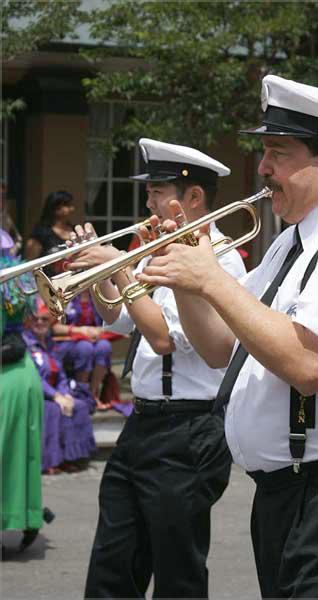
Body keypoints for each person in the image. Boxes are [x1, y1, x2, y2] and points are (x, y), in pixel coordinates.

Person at [136, 76, 318, 598]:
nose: (262, 169)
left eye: (278, 153)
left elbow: (308, 364)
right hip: (291, 495)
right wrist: (184, 276)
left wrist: (210, 277)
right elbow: (219, 349)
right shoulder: (291, 242)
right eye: (264, 152)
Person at [67, 139, 246, 599]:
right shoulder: (153, 251)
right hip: (144, 421)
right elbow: (118, 317)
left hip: (190, 428)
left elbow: (164, 336)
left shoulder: (221, 259)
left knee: (177, 570)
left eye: (157, 190)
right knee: (113, 562)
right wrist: (96, 274)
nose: (147, 202)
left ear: (193, 198)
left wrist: (118, 269)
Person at [0, 229, 44, 553]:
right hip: (24, 373)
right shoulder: (19, 276)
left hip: (5, 377)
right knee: (23, 453)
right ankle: (29, 516)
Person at [23, 299, 97, 473]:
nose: (39, 322)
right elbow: (34, 377)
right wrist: (56, 397)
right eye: (35, 319)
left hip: (55, 392)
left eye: (44, 319)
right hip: (37, 394)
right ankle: (50, 461)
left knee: (78, 405)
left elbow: (61, 375)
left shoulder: (51, 344)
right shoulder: (26, 344)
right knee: (54, 409)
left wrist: (66, 394)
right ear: (29, 321)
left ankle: (72, 457)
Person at [51, 292, 113, 410]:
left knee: (104, 347)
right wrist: (79, 330)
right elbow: (53, 327)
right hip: (67, 340)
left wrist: (98, 331)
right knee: (85, 348)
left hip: (93, 340)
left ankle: (93, 394)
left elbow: (109, 322)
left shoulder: (97, 294)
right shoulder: (62, 295)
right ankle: (81, 394)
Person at [25, 190, 75, 275]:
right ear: (55, 208)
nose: (72, 209)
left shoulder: (74, 230)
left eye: (71, 205)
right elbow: (30, 262)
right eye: (67, 205)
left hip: (74, 281)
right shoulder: (42, 232)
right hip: (49, 283)